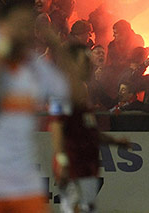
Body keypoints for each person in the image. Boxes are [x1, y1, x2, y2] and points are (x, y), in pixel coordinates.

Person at [0, 0, 82, 213]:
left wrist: (59, 48)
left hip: (23, 179)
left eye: (27, 26)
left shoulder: (36, 68)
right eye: (17, 25)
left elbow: (76, 96)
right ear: (2, 26)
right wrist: (0, 54)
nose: (23, 32)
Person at [49, 44, 130, 213]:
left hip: (87, 167)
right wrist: (63, 161)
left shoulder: (83, 92)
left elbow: (89, 130)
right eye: (83, 61)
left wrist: (115, 142)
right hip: (72, 166)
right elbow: (57, 126)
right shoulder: (64, 91)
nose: (88, 65)